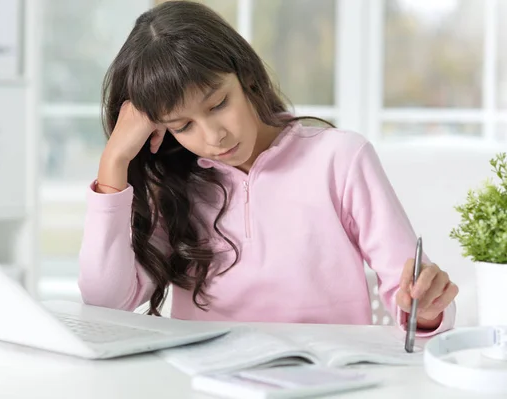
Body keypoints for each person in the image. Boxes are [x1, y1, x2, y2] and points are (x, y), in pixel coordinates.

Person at [78, 1, 458, 335]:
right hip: (204, 380)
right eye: (183, 126)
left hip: (327, 377)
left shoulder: (340, 159)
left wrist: (424, 309)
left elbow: (411, 290)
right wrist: (115, 162)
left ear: (245, 76)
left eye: (217, 104)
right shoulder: (177, 185)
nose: (214, 135)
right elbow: (105, 303)